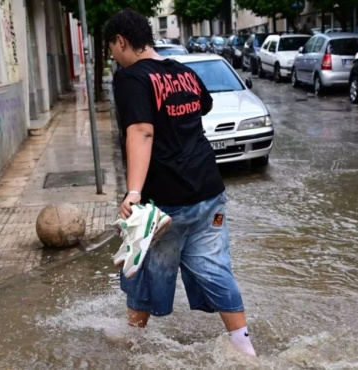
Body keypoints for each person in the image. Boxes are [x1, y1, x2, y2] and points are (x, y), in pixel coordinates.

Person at [104, 9, 256, 357]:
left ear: (121, 41)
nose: (113, 55)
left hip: (166, 200)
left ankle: (133, 344)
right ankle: (245, 349)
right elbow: (203, 105)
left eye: (112, 47)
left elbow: (141, 131)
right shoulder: (184, 72)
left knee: (140, 264)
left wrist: (134, 192)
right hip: (209, 192)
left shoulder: (131, 79)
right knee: (215, 269)